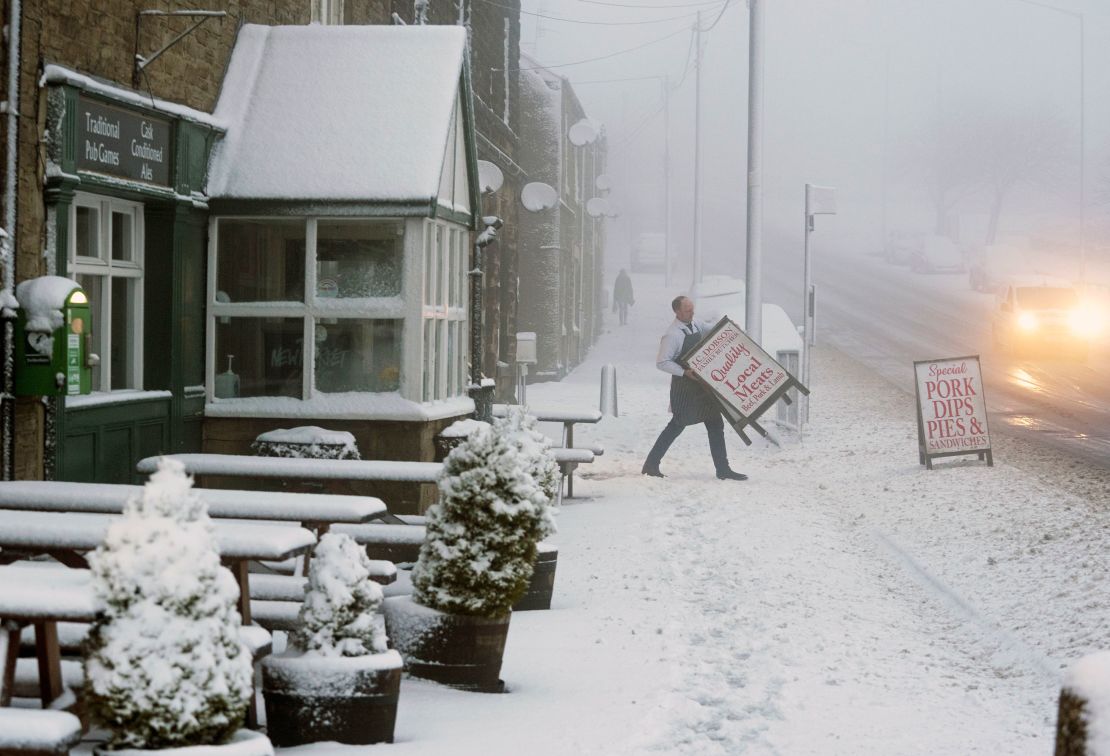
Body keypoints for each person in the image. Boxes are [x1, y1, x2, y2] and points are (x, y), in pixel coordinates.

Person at [642, 295, 748, 481]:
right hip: (685, 388)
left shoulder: (695, 324)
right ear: (677, 311)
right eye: (688, 310)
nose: (692, 313)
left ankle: (723, 469)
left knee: (716, 424)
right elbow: (662, 362)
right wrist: (684, 372)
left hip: (703, 387)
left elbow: (712, 329)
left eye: (692, 309)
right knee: (676, 426)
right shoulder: (672, 335)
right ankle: (651, 465)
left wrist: (729, 329)